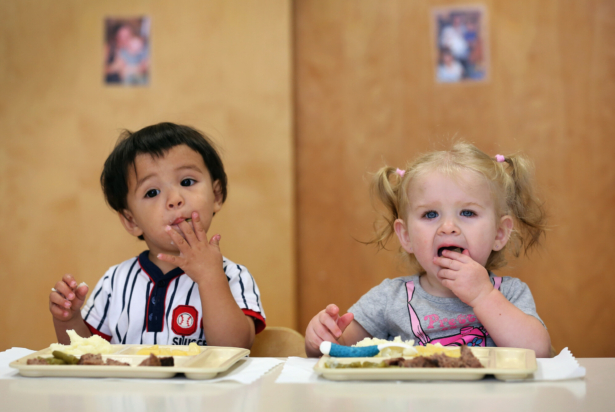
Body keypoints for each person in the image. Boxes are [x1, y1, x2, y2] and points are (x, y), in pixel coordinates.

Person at [305, 143, 551, 358]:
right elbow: (341, 349)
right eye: (430, 214)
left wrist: (483, 296)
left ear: (499, 233)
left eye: (468, 212)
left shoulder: (509, 294)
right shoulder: (389, 299)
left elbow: (538, 352)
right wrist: (322, 339)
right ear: (406, 236)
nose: (448, 227)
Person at [49, 123, 266, 348]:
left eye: (187, 182)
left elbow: (235, 348)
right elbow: (84, 354)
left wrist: (211, 278)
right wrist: (69, 320)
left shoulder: (233, 276)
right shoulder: (115, 281)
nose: (174, 199)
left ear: (217, 195)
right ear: (131, 220)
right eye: (152, 192)